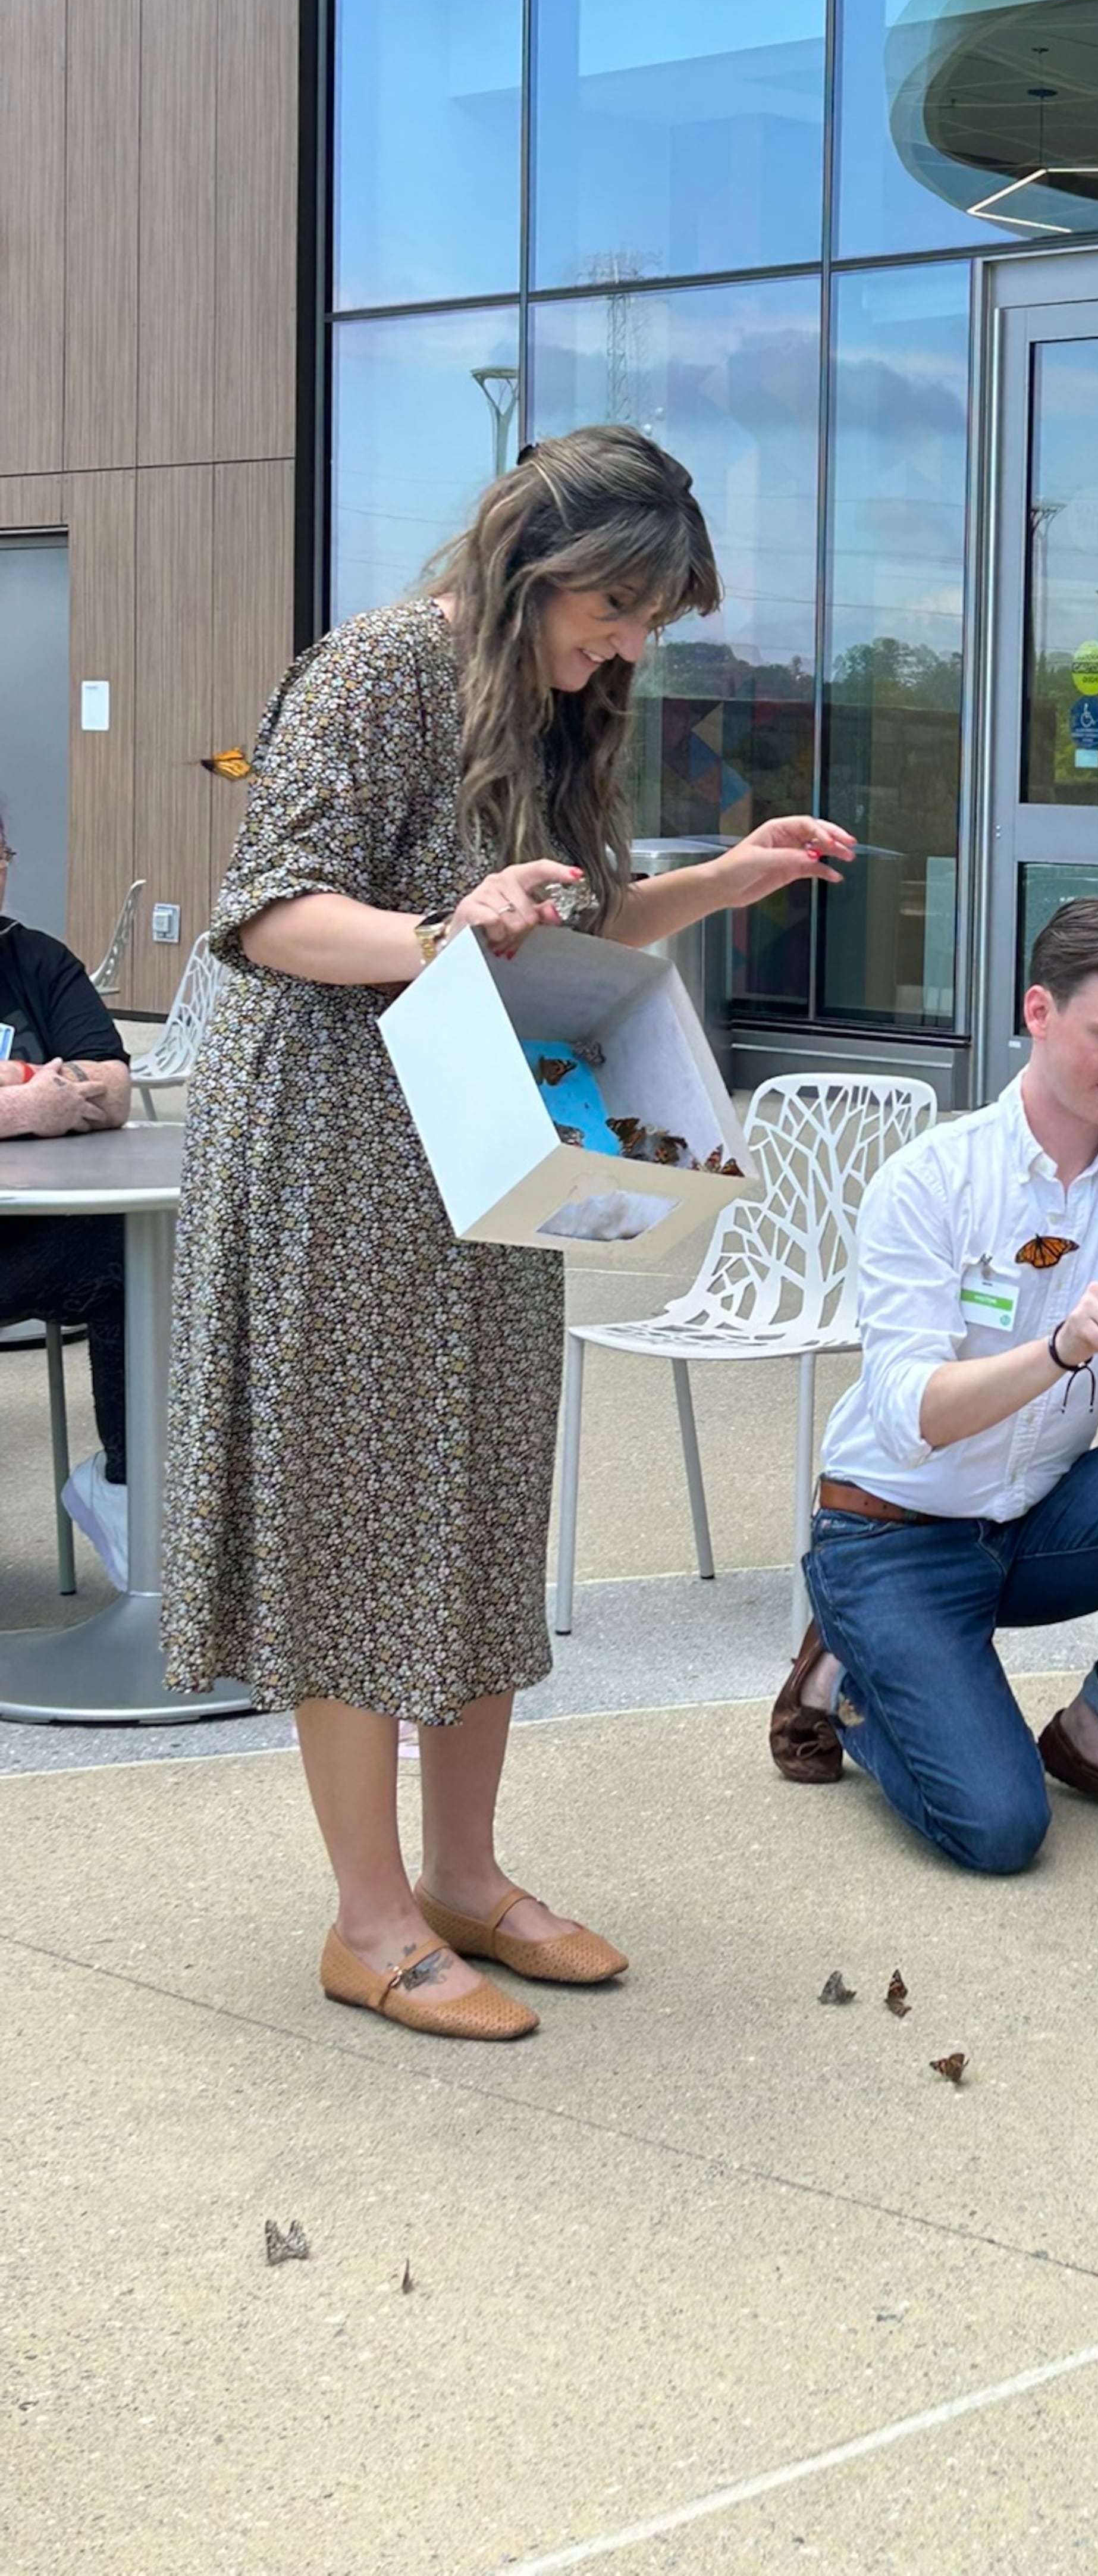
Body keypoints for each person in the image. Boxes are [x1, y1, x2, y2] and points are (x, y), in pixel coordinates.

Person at [163, 426, 855, 2042]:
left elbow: (571, 919)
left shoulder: (555, 700)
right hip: (337, 1147)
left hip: (485, 1152)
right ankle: (368, 1917)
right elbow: (267, 910)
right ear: (537, 554)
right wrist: (435, 927)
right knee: (355, 1514)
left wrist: (719, 882)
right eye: (616, 604)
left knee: (475, 1500)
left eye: (647, 620)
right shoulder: (382, 666)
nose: (625, 644)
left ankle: (465, 1878)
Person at [770, 897, 1098, 1872]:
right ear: (1039, 1012)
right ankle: (844, 1676)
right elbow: (910, 1414)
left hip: (1037, 1517)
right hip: (893, 1534)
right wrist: (1058, 1348)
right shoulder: (930, 1181)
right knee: (1001, 1832)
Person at [0, 807, 134, 1585]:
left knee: (133, 1257)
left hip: (28, 1247)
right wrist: (27, 1099)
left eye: (2, 852)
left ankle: (125, 1489)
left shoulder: (39, 962)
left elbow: (113, 1086)